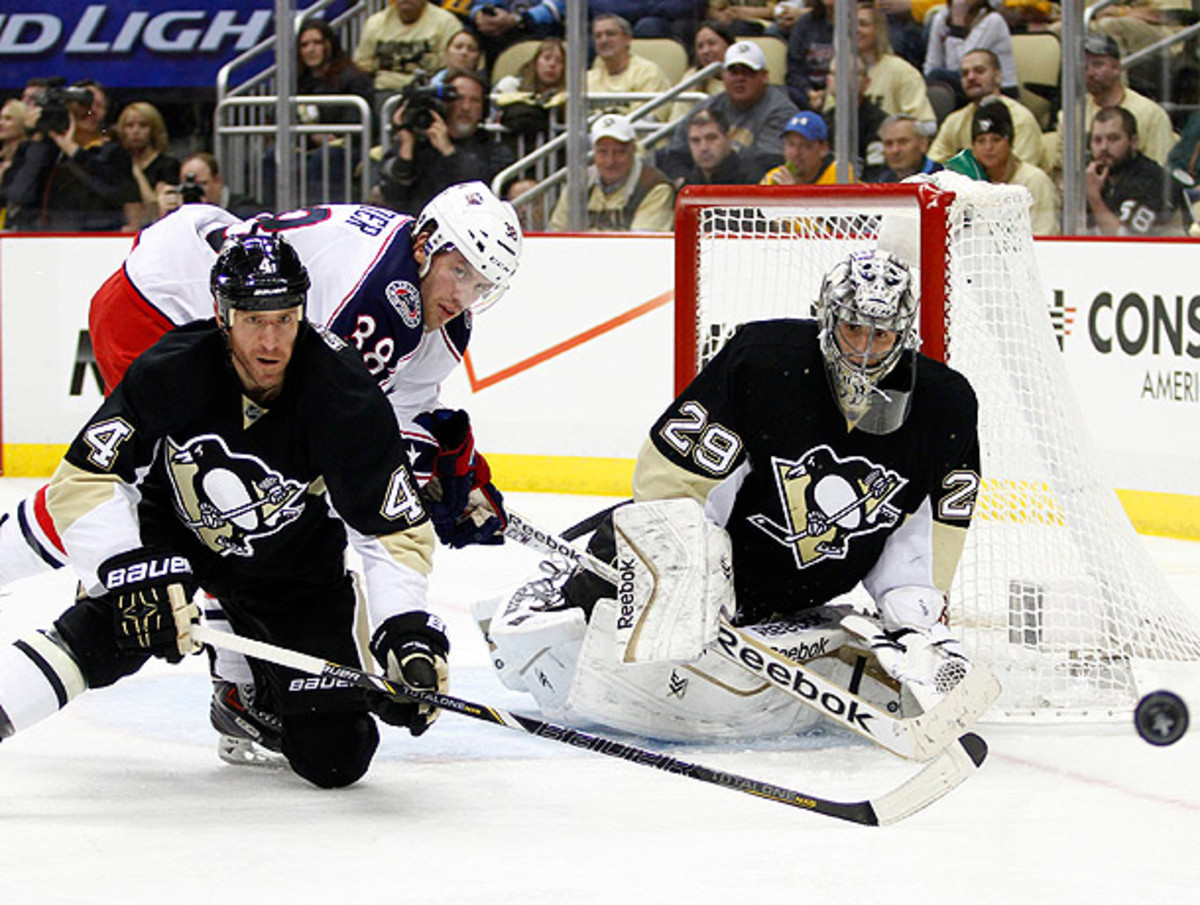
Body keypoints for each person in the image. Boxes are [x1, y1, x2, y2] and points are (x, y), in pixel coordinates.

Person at [0, 183, 522, 762]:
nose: (464, 294)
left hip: (223, 302)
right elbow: (332, 418)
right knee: (166, 488)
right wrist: (124, 562)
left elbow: (386, 423)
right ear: (426, 244)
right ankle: (208, 660)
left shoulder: (436, 317)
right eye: (459, 272)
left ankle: (237, 686)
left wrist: (447, 468)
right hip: (160, 304)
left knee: (247, 507)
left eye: (482, 284)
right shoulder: (369, 292)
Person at [481, 249, 981, 741]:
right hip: (719, 571)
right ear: (828, 319)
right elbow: (675, 485)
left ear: (906, 333)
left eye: (883, 334)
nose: (866, 351)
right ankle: (564, 597)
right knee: (617, 566)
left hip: (797, 597)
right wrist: (686, 581)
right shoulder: (763, 365)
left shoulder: (945, 408)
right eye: (854, 329)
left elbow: (920, 538)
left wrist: (911, 622)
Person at [377, 69, 516, 216]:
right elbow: (391, 196)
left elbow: (478, 191)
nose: (465, 107)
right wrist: (406, 147)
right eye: (458, 98)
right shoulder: (417, 145)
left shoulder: (495, 151)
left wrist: (448, 151)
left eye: (474, 100)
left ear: (484, 109)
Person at [657, 40, 799, 182]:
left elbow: (768, 163)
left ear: (764, 76)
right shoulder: (707, 107)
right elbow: (675, 154)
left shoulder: (782, 112)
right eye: (733, 72)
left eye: (748, 72)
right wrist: (682, 181)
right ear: (723, 76)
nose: (740, 79)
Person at [1049, 32, 1176, 171]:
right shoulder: (1072, 113)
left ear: (1117, 68)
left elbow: (1160, 171)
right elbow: (1061, 169)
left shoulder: (1151, 113)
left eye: (1098, 65)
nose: (1090, 73)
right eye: (1083, 67)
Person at [37, 79, 141, 232]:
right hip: (49, 236)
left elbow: (121, 192)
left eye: (98, 106)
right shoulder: (48, 149)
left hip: (99, 234)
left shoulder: (115, 152)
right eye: (83, 104)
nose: (90, 111)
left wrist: (74, 151)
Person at [548, 113, 675, 232]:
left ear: (633, 149)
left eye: (619, 152)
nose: (610, 161)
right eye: (603, 152)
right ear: (594, 152)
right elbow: (555, 234)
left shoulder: (655, 187)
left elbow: (643, 244)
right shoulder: (579, 182)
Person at [928, 48, 1046, 172]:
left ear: (997, 76)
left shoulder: (1020, 119)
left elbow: (1020, 174)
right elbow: (933, 166)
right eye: (965, 73)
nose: (971, 77)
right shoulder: (954, 120)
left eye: (979, 71)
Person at [968, 99, 1060, 235]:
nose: (988, 148)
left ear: (1010, 142)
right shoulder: (968, 186)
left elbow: (1044, 235)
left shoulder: (1034, 181)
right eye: (981, 141)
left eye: (996, 139)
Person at [1086, 105, 1175, 236]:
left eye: (1113, 138)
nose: (1104, 147)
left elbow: (1127, 241)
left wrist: (1094, 197)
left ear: (1134, 142)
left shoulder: (1155, 179)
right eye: (1097, 140)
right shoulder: (1089, 176)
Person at [353, 0, 463, 97]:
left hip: (429, 92)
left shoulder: (446, 22)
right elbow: (362, 65)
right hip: (382, 92)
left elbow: (451, 66)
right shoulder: (375, 23)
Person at [923, 0, 1017, 108]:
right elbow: (931, 66)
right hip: (959, 86)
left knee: (938, 76)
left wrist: (957, 24)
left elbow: (962, 66)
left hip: (998, 89)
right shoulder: (941, 18)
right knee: (933, 83)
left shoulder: (992, 20)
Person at [857, 3, 936, 130]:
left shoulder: (902, 71)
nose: (856, 29)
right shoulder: (839, 71)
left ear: (878, 29)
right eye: (850, 26)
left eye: (863, 24)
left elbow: (928, 125)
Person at [296, 18, 375, 138]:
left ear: (330, 45)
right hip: (307, 145)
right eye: (304, 45)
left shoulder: (353, 79)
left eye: (317, 43)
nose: (310, 50)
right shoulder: (298, 81)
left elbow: (356, 120)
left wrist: (333, 135)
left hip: (347, 147)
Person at [587, 14, 673, 120]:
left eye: (611, 34)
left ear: (627, 39)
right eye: (598, 36)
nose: (603, 40)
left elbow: (647, 121)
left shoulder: (648, 73)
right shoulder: (587, 79)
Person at [116, 102, 180, 226]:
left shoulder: (167, 165)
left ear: (153, 130)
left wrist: (138, 174)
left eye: (143, 125)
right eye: (130, 125)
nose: (136, 131)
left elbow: (155, 206)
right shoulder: (117, 164)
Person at [158, 152, 262, 221]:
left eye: (201, 184)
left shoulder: (245, 212)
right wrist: (165, 217)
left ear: (218, 180)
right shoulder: (179, 214)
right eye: (186, 186)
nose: (193, 191)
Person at [468, 0, 564, 67]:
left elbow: (561, 6)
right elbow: (482, 4)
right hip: (499, 33)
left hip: (544, 32)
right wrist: (480, 14)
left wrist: (519, 19)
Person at [679, 107, 760, 186]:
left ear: (728, 138)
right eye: (695, 140)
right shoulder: (688, 184)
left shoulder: (751, 180)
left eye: (711, 138)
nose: (703, 148)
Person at [760, 110, 839, 185]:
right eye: (791, 144)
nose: (796, 153)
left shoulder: (840, 175)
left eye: (806, 146)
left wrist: (794, 193)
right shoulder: (774, 177)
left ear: (823, 149)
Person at [785, 0, 835, 109]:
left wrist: (826, 94)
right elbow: (794, 69)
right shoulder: (805, 24)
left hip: (839, 91)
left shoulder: (854, 25)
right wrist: (809, 92)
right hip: (805, 91)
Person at [873, 112, 943, 182]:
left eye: (903, 142)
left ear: (923, 144)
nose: (895, 150)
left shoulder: (943, 180)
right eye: (889, 144)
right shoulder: (881, 181)